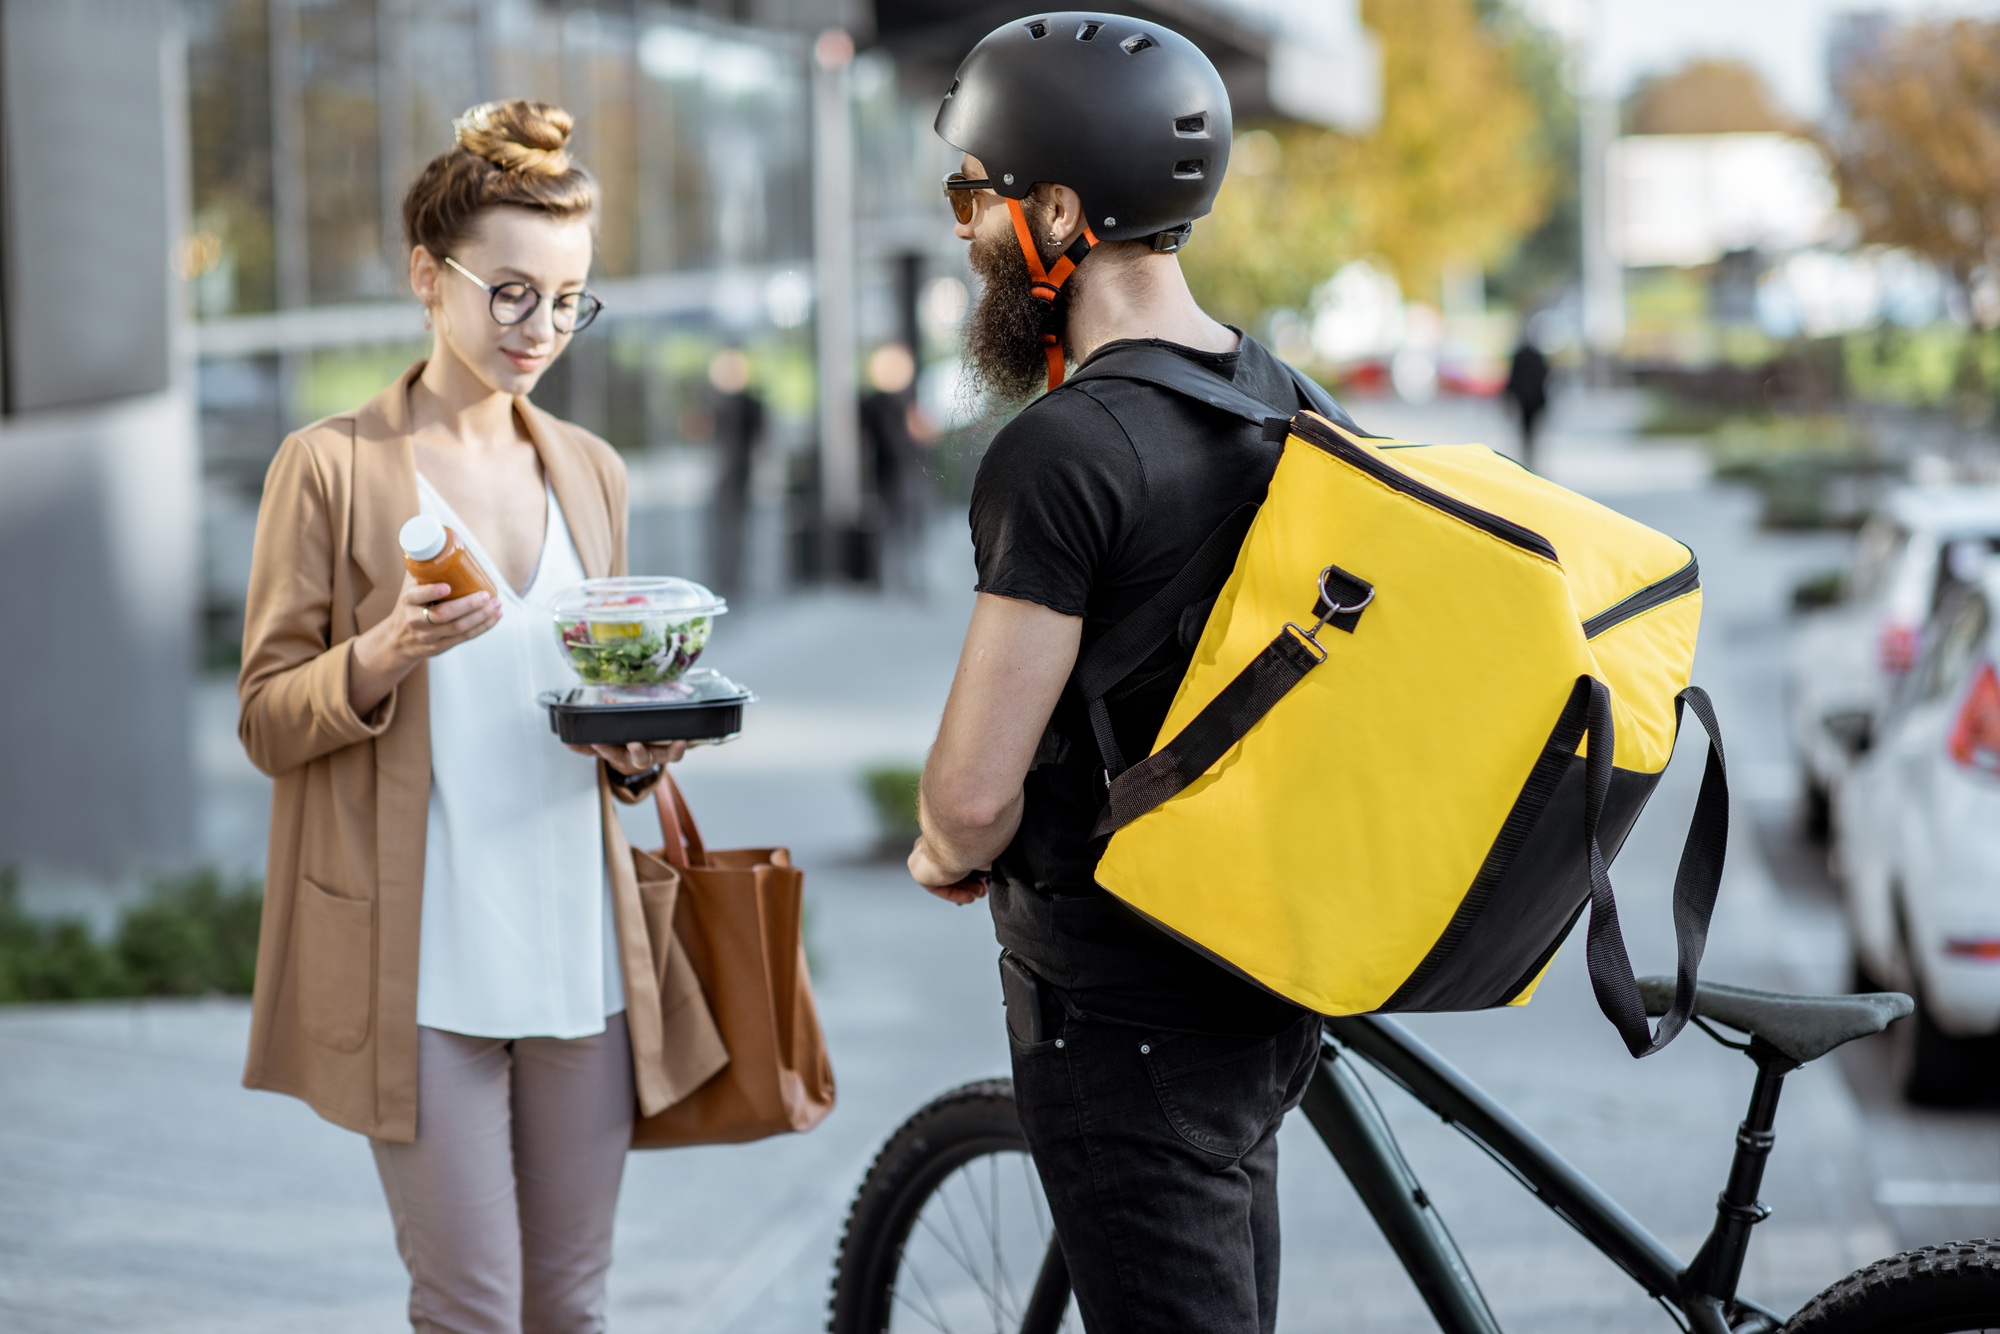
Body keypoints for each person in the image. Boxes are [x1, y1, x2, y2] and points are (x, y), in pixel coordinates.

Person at [906, 16, 1361, 1332]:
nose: (962, 230)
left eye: (973, 195)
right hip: (1266, 982)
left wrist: (945, 844)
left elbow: (973, 799)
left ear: (1058, 209)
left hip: (1127, 1014)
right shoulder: (1296, 402)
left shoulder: (1061, 453)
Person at [237, 100, 720, 1334]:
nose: (541, 328)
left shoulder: (590, 469)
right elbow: (264, 719)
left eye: (567, 299)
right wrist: (388, 648)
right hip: (424, 965)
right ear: (426, 276)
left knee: (569, 1305)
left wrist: (638, 747)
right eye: (510, 292)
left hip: (585, 959)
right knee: (470, 1308)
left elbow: (600, 698)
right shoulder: (332, 467)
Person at [857, 342, 933, 593]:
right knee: (890, 529)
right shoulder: (873, 404)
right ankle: (892, 580)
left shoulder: (905, 400)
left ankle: (911, 579)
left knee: (911, 526)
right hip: (887, 475)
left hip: (907, 473)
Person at [707, 345, 764, 599]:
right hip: (720, 479)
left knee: (738, 535)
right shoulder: (715, 403)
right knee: (719, 534)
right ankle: (722, 580)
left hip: (741, 478)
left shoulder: (751, 405)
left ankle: (736, 583)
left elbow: (760, 443)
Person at [1504, 330, 1551, 472]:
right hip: (1535, 399)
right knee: (1532, 431)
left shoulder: (1520, 356)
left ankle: (1528, 458)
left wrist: (1509, 395)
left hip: (1525, 398)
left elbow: (1513, 378)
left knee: (1526, 431)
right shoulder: (1538, 356)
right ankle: (1531, 457)